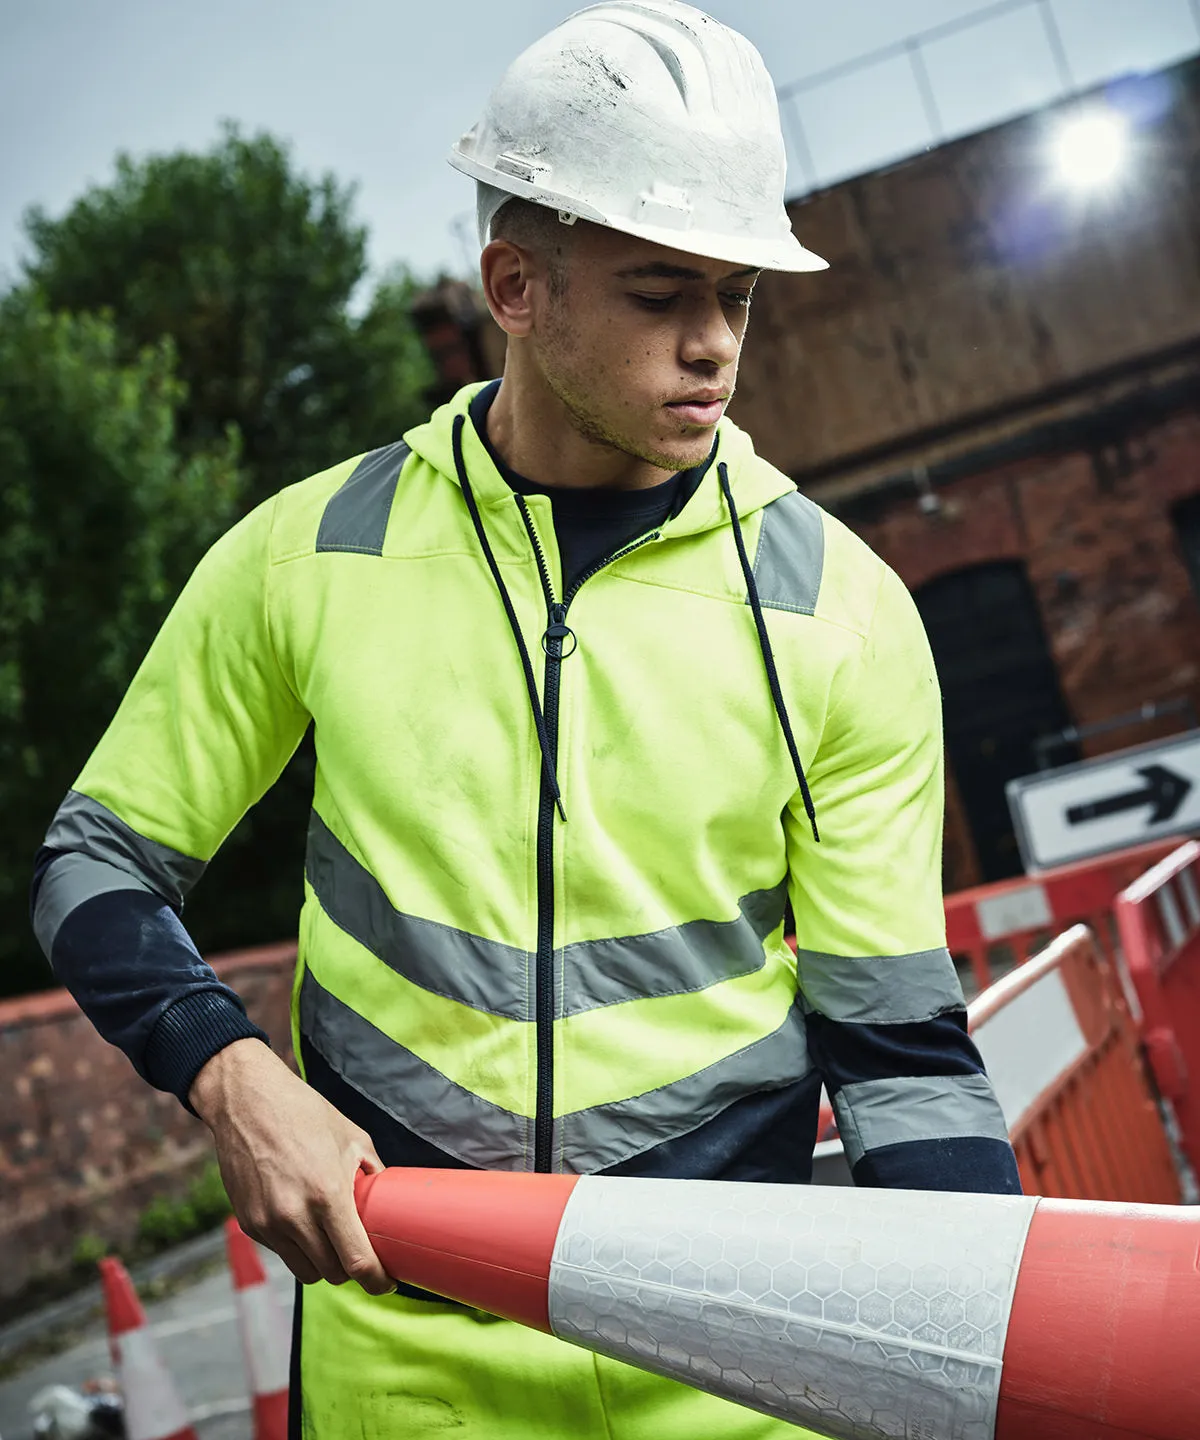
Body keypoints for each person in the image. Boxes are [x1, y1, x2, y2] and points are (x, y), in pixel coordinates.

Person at [31, 3, 1021, 1436]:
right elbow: (93, 864)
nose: (713, 346)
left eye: (738, 295)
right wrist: (230, 1076)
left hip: (734, 1371)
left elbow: (901, 1052)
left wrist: (989, 1358)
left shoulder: (842, 611)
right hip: (401, 1367)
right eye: (658, 290)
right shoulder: (310, 555)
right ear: (515, 285)